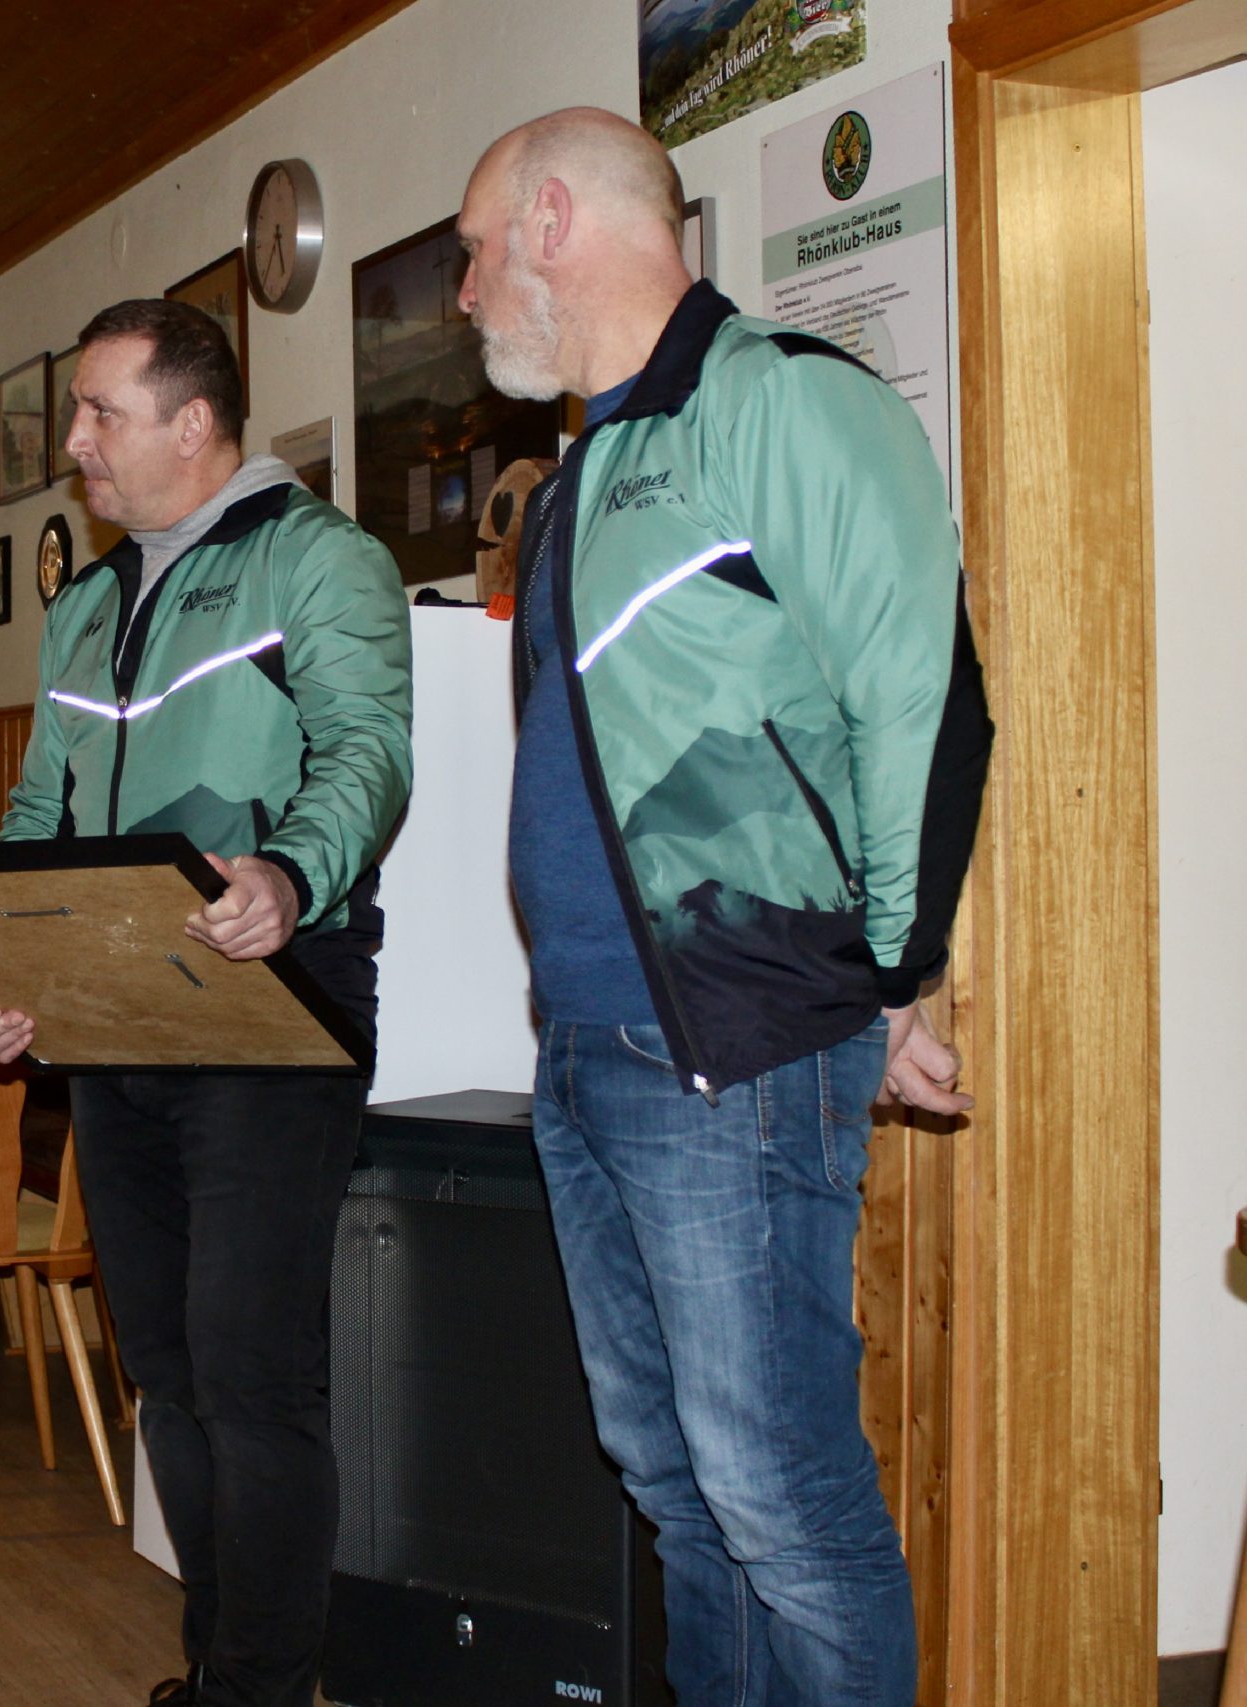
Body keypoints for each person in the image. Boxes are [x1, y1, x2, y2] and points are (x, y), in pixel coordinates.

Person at [454, 108, 991, 1705]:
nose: (465, 291)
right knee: (674, 1481)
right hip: (589, 1045)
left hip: (732, 1047)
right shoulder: (579, 477)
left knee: (780, 1495)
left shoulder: (786, 402)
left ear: (556, 220)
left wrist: (889, 976)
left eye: (475, 250)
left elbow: (924, 701)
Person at [0, 299, 412, 1707]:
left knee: (252, 1377)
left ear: (193, 422)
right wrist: (0, 975)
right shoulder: (86, 606)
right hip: (115, 1017)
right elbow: (37, 817)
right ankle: (219, 1670)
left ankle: (261, 1690)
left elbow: (368, 751)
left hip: (271, 1002)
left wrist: (290, 872)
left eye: (100, 412)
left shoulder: (318, 557)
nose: (74, 442)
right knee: (165, 1367)